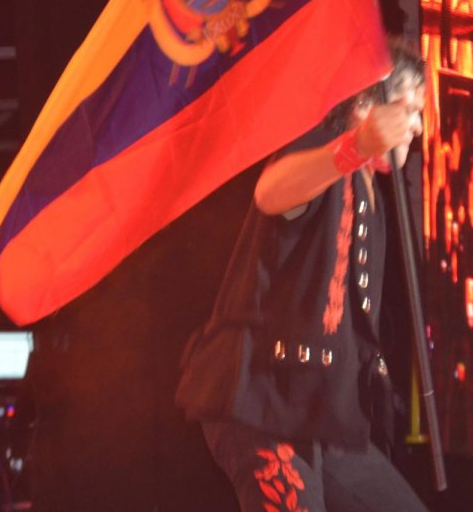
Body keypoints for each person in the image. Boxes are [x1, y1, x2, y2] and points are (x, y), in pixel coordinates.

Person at [176, 41, 430, 511]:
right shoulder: (323, 147)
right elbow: (272, 193)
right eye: (410, 108)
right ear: (368, 101)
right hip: (265, 402)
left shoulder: (372, 193)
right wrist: (354, 147)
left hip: (324, 415)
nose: (418, 126)